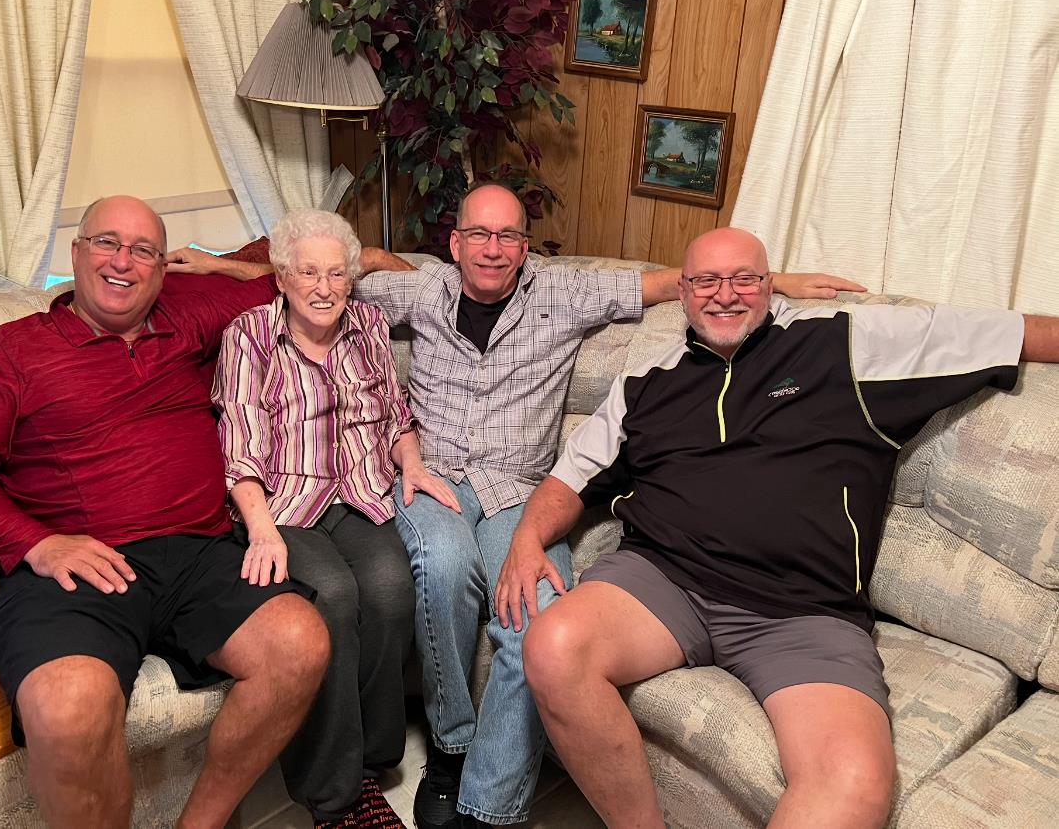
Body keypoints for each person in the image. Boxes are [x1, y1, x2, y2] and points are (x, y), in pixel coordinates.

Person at [175, 185, 862, 828]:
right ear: (454, 242)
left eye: (507, 235)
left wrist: (781, 282)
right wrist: (222, 266)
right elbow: (323, 272)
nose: (492, 248)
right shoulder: (415, 292)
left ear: (525, 246)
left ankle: (489, 803)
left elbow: (659, 282)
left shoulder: (563, 292)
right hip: (433, 481)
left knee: (534, 614)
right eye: (478, 233)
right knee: (440, 570)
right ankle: (447, 747)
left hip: (519, 490)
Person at [501, 226, 1059, 829]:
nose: (725, 295)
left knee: (853, 782)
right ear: (682, 293)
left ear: (770, 284)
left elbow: (1014, 332)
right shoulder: (643, 383)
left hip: (801, 611)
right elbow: (569, 477)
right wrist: (528, 539)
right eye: (706, 281)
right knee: (555, 647)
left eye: (745, 278)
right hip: (661, 580)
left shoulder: (840, 345)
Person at [0, 195, 334, 829]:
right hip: (77, 565)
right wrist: (37, 544)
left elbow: (284, 274)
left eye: (143, 250)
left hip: (199, 550)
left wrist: (366, 257)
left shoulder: (187, 316)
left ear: (164, 270)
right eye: (106, 242)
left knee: (299, 643)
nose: (123, 261)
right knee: (66, 707)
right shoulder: (3, 357)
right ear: (76, 254)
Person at [211, 210, 459, 828]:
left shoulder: (369, 325)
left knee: (392, 588)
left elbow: (394, 414)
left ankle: (372, 759)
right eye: (308, 273)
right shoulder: (249, 336)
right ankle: (333, 793)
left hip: (361, 492)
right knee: (335, 598)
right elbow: (238, 442)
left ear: (351, 280)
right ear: (282, 278)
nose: (324, 287)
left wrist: (412, 464)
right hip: (282, 505)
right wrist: (261, 528)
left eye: (337, 274)